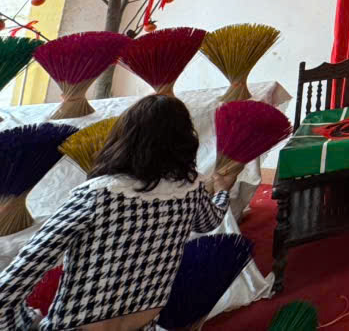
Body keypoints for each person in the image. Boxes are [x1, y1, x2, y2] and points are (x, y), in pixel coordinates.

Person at [0, 95, 238, 330]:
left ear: (124, 138)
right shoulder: (189, 190)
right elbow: (209, 222)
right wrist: (222, 191)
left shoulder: (97, 195)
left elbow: (9, 289)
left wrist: (25, 323)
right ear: (186, 142)